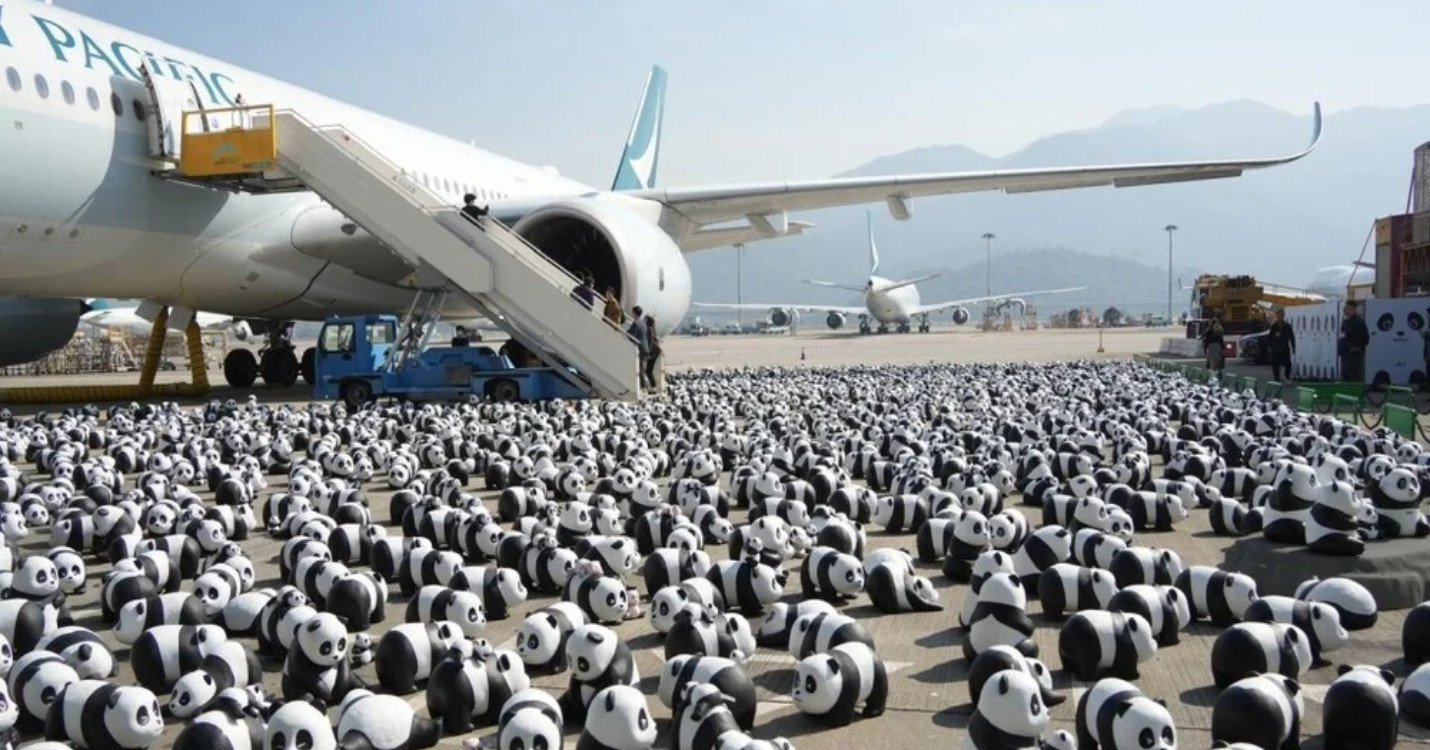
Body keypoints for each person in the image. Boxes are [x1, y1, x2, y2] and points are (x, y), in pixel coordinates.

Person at [1339, 300, 1369, 385]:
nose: (1345, 310)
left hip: (1354, 357)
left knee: (1354, 380)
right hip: (1345, 355)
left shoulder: (1359, 323)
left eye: (1347, 308)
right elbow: (1343, 335)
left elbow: (1365, 338)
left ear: (1353, 310)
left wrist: (1355, 347)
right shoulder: (1345, 322)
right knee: (1345, 379)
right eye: (1345, 308)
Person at [1266, 309, 1296, 382]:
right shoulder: (1274, 326)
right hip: (1276, 348)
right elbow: (1270, 337)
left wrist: (1293, 347)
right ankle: (1277, 378)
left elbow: (1292, 337)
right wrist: (1269, 346)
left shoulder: (1287, 326)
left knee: (1288, 363)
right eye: (1278, 315)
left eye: (1281, 315)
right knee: (1275, 364)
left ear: (1283, 315)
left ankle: (1287, 376)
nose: (1280, 316)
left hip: (1285, 347)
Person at [627, 306, 651, 389]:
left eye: (632, 312)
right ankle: (645, 385)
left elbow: (630, 333)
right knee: (642, 368)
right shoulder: (643, 322)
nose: (631, 314)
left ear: (634, 313)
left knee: (639, 368)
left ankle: (643, 386)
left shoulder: (636, 323)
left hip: (639, 347)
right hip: (645, 347)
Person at [643, 314, 662, 393]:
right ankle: (652, 387)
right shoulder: (651, 328)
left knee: (648, 371)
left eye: (645, 319)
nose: (643, 320)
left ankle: (653, 388)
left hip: (653, 351)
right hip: (655, 350)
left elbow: (650, 342)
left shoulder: (649, 329)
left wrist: (649, 353)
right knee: (648, 370)